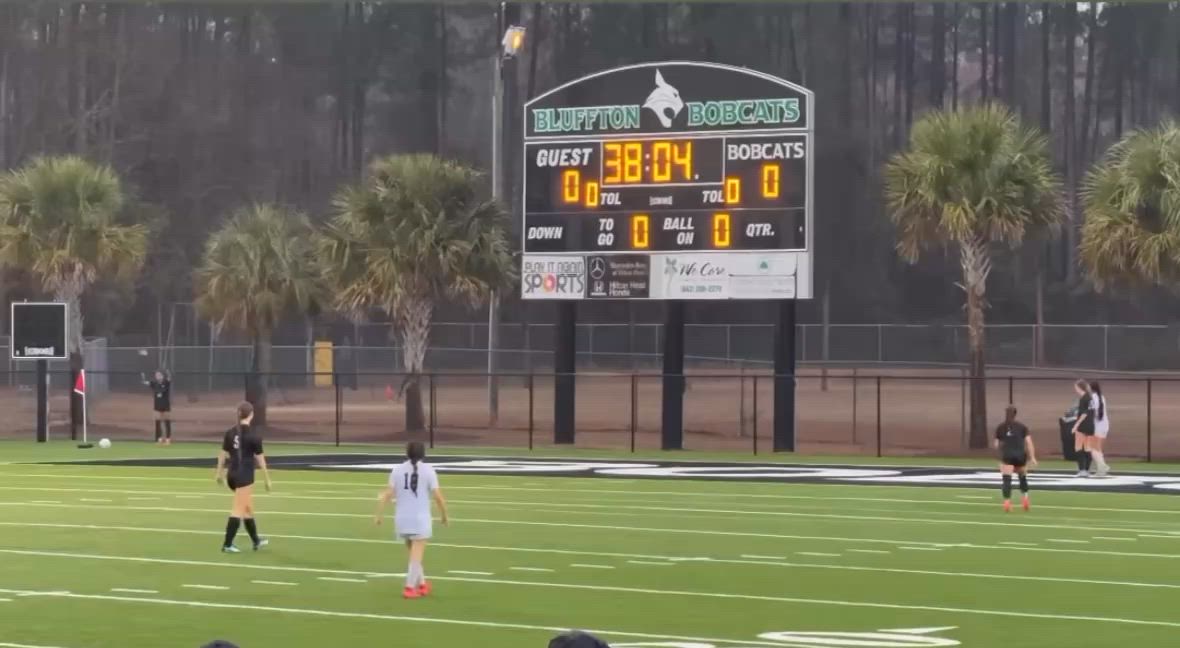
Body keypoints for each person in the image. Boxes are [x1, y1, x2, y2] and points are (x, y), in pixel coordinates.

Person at [374, 441, 450, 599]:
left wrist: (378, 515)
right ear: (423, 454)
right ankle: (409, 588)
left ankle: (422, 584)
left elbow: (388, 494)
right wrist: (444, 516)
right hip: (420, 519)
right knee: (417, 554)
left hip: (402, 519)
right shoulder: (429, 471)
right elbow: (438, 497)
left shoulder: (397, 470)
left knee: (414, 554)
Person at [214, 402, 271, 553]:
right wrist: (267, 479)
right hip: (244, 476)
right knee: (238, 510)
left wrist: (218, 474)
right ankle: (227, 544)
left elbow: (222, 455)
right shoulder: (253, 435)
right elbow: (260, 459)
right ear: (251, 415)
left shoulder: (230, 432)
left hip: (231, 475)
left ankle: (256, 541)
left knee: (247, 509)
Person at [994, 405, 1037, 512]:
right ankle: (1025, 498)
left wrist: (1002, 452)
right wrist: (1032, 457)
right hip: (1020, 455)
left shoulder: (1000, 427)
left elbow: (996, 444)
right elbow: (1029, 443)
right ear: (1015, 414)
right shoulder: (1022, 427)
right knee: (1022, 476)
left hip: (1007, 455)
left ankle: (1007, 502)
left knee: (1006, 479)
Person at [1070, 379, 1095, 477]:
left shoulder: (1084, 398)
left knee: (1078, 447)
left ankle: (1082, 470)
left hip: (1083, 425)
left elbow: (1084, 413)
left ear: (1080, 387)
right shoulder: (1090, 397)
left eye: (1076, 387)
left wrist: (1076, 425)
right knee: (1088, 448)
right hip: (1090, 425)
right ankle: (1087, 470)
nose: (1075, 389)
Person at [143, 370, 173, 445]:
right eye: (156, 375)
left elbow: (169, 378)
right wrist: (144, 381)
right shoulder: (154, 383)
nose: (158, 376)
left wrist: (168, 373)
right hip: (157, 406)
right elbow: (147, 383)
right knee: (157, 423)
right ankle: (158, 439)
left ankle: (168, 439)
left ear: (162, 376)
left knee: (167, 422)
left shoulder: (166, 382)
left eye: (159, 375)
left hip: (166, 405)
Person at [1089, 381, 1111, 477]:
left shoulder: (1093, 398)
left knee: (1093, 448)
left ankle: (1102, 467)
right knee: (1098, 448)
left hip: (1097, 425)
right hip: (1105, 425)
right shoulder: (1102, 397)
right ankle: (1101, 469)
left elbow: (1092, 412)